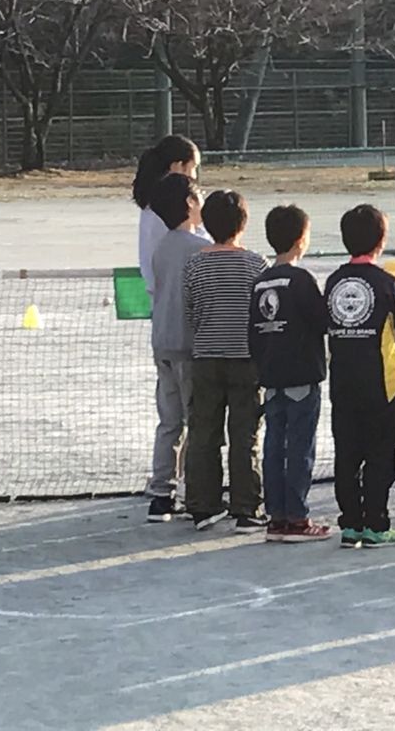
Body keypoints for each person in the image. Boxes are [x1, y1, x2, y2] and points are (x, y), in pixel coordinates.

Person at [183, 190, 268, 532]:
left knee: (203, 433)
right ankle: (246, 507)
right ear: (243, 224)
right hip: (246, 358)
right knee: (244, 435)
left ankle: (203, 505)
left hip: (205, 357)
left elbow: (190, 311)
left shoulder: (194, 265)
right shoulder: (256, 265)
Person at [327, 204, 395, 549]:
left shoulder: (334, 281)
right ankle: (376, 524)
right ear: (381, 241)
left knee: (346, 454)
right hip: (381, 384)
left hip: (342, 382)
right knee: (381, 454)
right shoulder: (388, 283)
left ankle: (350, 524)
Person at [249, 205, 332, 544]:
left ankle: (277, 516)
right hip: (301, 375)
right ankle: (297, 517)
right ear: (301, 240)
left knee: (273, 444)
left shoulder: (260, 282)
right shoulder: (301, 280)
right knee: (300, 446)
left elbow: (253, 333)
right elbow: (322, 321)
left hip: (271, 377)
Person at [145, 173, 210, 522]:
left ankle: (161, 493)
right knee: (197, 422)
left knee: (169, 422)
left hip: (162, 342)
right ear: (189, 203)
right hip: (187, 345)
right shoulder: (199, 248)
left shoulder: (162, 247)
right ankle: (196, 492)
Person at [133, 135, 201, 297]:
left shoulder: (151, 206)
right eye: (193, 167)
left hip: (161, 295)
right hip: (176, 295)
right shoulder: (168, 208)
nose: (195, 175)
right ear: (177, 166)